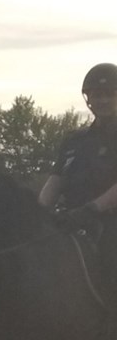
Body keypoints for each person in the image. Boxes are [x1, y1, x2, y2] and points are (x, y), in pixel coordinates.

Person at [41, 64, 117, 301]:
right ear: (89, 99)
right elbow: (56, 181)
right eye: (97, 94)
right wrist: (38, 213)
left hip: (108, 220)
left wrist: (91, 209)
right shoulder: (74, 141)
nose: (102, 100)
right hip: (72, 220)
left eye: (109, 94)